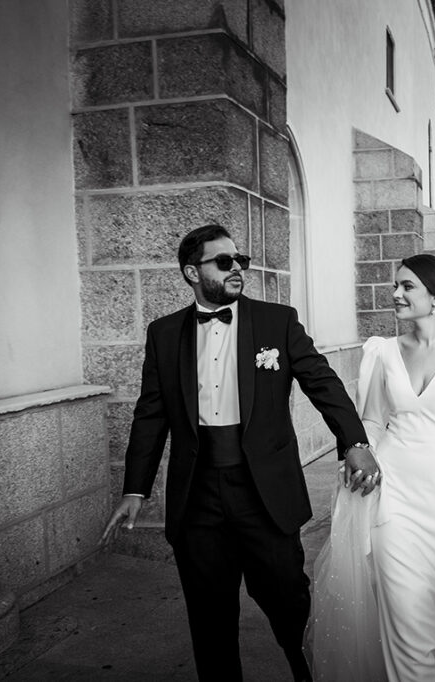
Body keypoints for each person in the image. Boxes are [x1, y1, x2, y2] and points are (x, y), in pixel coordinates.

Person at [100, 224, 379, 682]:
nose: (237, 269)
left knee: (289, 603)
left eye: (239, 261)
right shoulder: (164, 333)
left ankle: (308, 674)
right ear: (192, 273)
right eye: (223, 261)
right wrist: (135, 489)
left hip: (263, 491)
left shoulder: (277, 321)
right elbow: (151, 414)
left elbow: (323, 383)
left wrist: (356, 443)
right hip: (197, 495)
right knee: (209, 617)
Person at [308, 254, 435, 681]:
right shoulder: (382, 352)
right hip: (394, 495)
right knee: (405, 616)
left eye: (407, 286)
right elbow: (371, 421)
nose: (396, 294)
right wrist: (357, 455)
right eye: (395, 286)